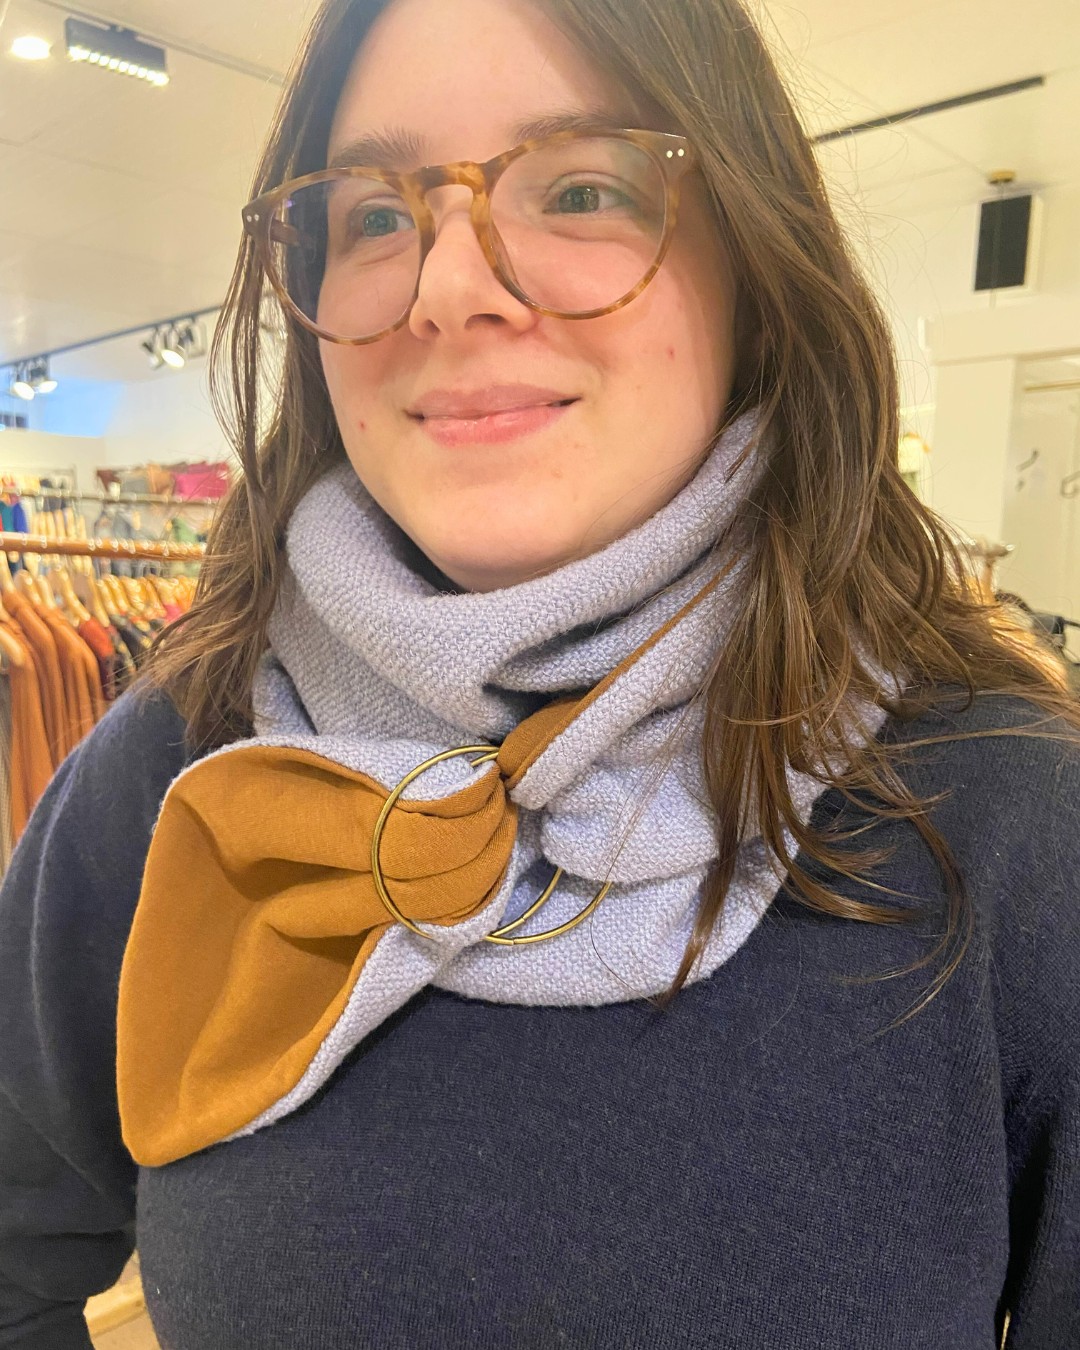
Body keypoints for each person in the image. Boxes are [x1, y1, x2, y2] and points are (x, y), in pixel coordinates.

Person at [1, 0, 1077, 1345]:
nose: (448, 286)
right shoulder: (188, 768)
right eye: (375, 215)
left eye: (579, 189)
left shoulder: (1009, 817)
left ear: (758, 262)